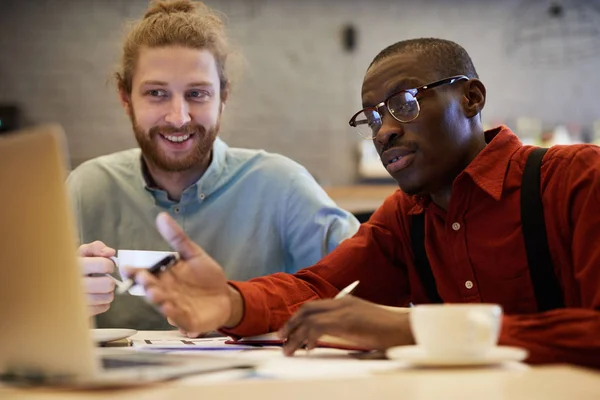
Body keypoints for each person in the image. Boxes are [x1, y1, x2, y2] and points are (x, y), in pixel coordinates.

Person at [124, 37, 600, 368]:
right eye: (372, 117)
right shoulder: (406, 217)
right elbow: (318, 290)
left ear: (471, 98)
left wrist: (413, 329)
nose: (385, 130)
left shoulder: (577, 181)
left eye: (405, 103)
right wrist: (229, 302)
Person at [68, 0, 359, 330]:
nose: (178, 118)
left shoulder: (283, 187)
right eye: (156, 93)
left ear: (223, 97)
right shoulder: (84, 189)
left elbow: (371, 288)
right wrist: (58, 302)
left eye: (197, 93)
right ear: (125, 98)